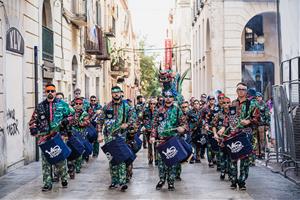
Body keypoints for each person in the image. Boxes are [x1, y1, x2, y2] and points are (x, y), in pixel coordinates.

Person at [29, 83, 71, 191]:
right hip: (45, 138)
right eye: (48, 91)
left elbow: (73, 115)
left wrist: (67, 121)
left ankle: (64, 177)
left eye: (52, 91)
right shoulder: (40, 106)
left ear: (55, 92)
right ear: (45, 92)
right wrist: (33, 129)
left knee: (60, 159)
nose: (50, 93)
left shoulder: (62, 104)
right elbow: (33, 121)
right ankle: (47, 183)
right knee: (46, 161)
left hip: (58, 136)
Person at [219, 82, 260, 190]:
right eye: (239, 89)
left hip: (246, 134)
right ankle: (233, 181)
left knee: (244, 159)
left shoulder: (252, 104)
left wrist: (249, 121)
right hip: (234, 134)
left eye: (243, 89)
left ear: (246, 91)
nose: (241, 91)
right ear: (236, 91)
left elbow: (257, 119)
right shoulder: (233, 104)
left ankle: (242, 182)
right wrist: (223, 128)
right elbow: (228, 118)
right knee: (233, 158)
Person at [97, 86, 136, 192]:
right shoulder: (107, 107)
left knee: (122, 158)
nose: (116, 94)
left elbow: (133, 118)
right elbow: (100, 121)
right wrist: (99, 134)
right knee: (112, 159)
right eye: (114, 92)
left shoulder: (126, 106)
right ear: (111, 94)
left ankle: (123, 181)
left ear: (121, 93)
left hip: (121, 137)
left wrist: (127, 124)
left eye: (117, 92)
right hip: (109, 137)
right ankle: (114, 181)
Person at [150, 90, 187, 191]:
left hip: (173, 140)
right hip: (161, 140)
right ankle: (162, 180)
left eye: (170, 96)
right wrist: (153, 136)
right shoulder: (158, 110)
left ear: (173, 98)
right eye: (166, 96)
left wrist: (182, 128)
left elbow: (184, 124)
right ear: (163, 98)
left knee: (172, 161)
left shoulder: (178, 110)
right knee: (161, 163)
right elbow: (154, 125)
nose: (168, 98)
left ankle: (171, 182)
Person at [65, 97, 90, 177]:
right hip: (71, 134)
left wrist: (77, 123)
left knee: (79, 150)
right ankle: (71, 167)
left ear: (82, 105)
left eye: (80, 104)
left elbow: (86, 123)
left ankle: (77, 167)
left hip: (81, 134)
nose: (78, 105)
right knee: (71, 150)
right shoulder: (71, 112)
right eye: (76, 104)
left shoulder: (85, 113)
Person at [141, 97, 159, 165]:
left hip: (155, 131)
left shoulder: (158, 111)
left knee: (156, 145)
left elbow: (159, 121)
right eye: (151, 103)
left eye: (154, 104)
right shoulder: (145, 111)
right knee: (149, 146)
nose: (152, 105)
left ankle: (156, 159)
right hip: (148, 131)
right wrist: (145, 127)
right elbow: (143, 120)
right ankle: (150, 159)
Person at [256, 92, 270, 158]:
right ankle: (257, 153)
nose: (257, 98)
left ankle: (262, 152)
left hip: (262, 124)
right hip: (255, 124)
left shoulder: (264, 104)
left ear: (261, 97)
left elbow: (267, 114)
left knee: (262, 139)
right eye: (256, 97)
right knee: (256, 139)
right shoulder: (254, 104)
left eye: (259, 96)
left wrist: (267, 124)